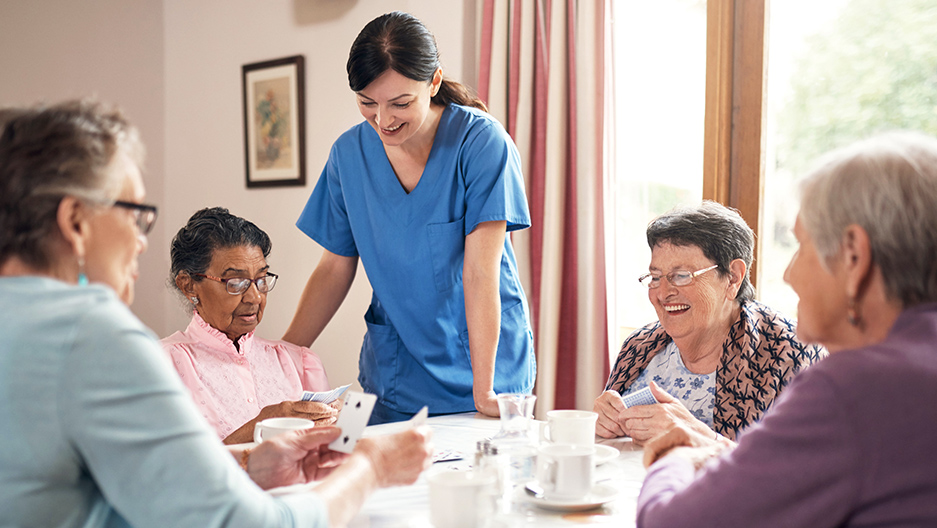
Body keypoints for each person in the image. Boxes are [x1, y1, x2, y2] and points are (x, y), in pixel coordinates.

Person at [0, 99, 431, 528]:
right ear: (75, 222)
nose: (141, 241)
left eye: (261, 279)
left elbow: (136, 484)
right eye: (135, 215)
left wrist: (250, 463)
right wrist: (371, 468)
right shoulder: (93, 336)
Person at [638, 131, 937, 527]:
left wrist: (675, 454)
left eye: (801, 245)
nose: (789, 273)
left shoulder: (855, 386)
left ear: (854, 256)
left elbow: (669, 523)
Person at [283, 11, 536, 424]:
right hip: (394, 371)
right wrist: (285, 357)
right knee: (371, 477)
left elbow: (480, 273)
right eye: (367, 103)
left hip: (483, 367)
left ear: (433, 83)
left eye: (400, 103)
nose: (383, 120)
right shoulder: (348, 155)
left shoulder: (482, 144)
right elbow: (334, 268)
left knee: (474, 484)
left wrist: (485, 389)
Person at [594, 201, 825, 443]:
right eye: (655, 277)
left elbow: (803, 473)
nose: (663, 293)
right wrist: (603, 422)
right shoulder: (639, 347)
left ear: (733, 278)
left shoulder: (792, 354)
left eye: (681, 276)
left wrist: (700, 437)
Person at [163, 207, 339, 444]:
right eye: (235, 283)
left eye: (261, 280)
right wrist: (261, 425)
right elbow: (170, 472)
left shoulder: (298, 362)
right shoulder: (162, 364)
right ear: (189, 286)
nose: (255, 297)